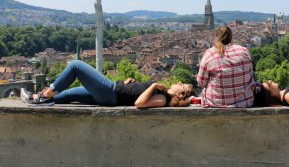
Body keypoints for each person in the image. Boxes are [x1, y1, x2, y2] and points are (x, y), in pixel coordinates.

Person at [21, 59, 193, 108]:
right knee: (67, 95)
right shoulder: (162, 91)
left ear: (180, 95)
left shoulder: (163, 99)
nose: (179, 82)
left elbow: (139, 103)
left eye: (182, 85)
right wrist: (129, 82)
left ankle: (43, 96)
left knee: (75, 66)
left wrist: (153, 86)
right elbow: (137, 93)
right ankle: (42, 100)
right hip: (112, 91)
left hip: (110, 92)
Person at [196, 26, 255, 107]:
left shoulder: (209, 54)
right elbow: (250, 73)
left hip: (216, 103)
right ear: (231, 37)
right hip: (244, 101)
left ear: (216, 37)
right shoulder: (244, 51)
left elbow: (201, 82)